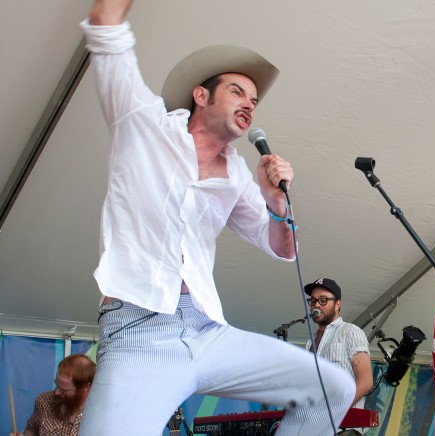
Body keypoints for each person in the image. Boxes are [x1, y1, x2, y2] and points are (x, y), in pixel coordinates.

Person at [77, 1, 355, 434]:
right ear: (201, 95)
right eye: (238, 92)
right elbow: (106, 24)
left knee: (333, 387)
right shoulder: (142, 124)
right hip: (139, 333)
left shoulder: (239, 173)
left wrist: (276, 203)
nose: (249, 104)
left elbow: (281, 248)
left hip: (208, 330)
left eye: (254, 100)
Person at [305, 278, 374, 435]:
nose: (316, 305)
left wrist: (334, 410)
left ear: (337, 304)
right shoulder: (310, 341)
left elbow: (366, 381)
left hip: (343, 428)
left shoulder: (351, 332)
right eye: (313, 301)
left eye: (323, 300)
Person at [10, 354, 96, 436]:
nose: (56, 392)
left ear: (85, 387)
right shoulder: (44, 402)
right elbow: (31, 431)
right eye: (56, 384)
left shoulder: (100, 413)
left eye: (63, 390)